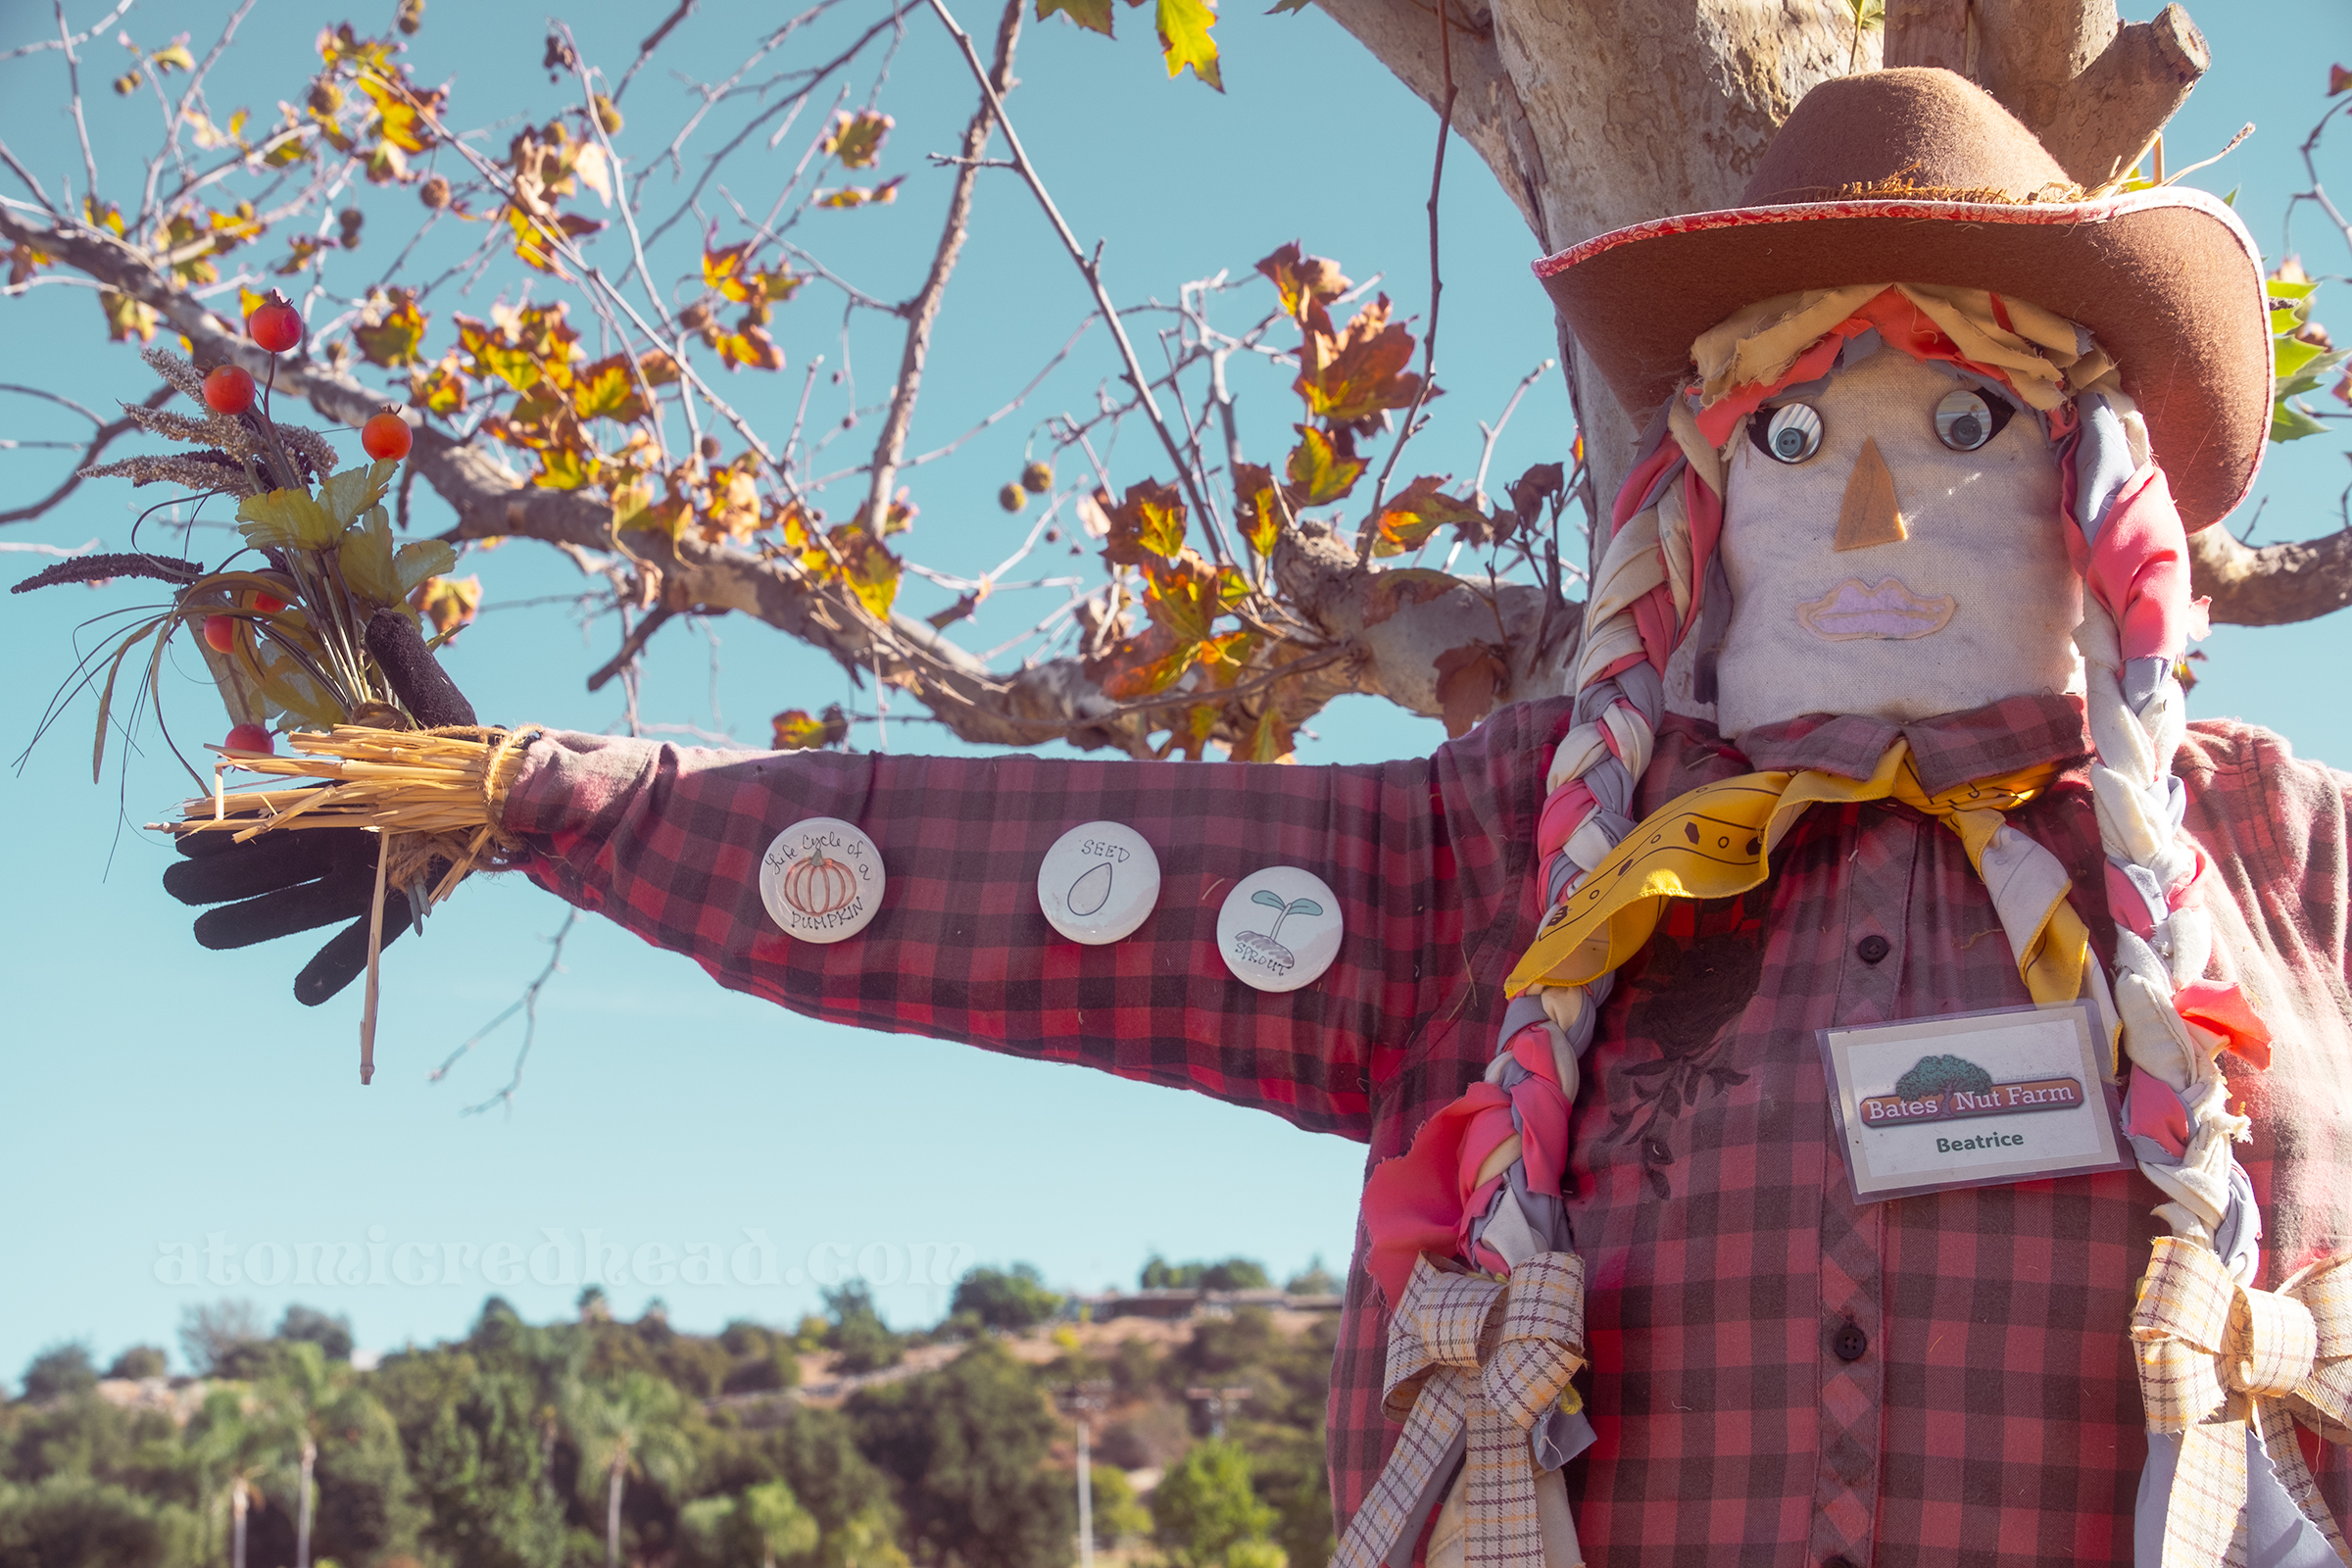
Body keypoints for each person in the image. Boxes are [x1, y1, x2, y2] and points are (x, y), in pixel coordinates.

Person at [168, 70, 2352, 1567]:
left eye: (1960, 424)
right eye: (1797, 437)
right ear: (1705, 493)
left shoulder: (2288, 865)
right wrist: (536, 799)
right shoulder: (1512, 860)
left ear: (2096, 488)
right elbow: (1012, 880)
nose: (1869, 510)